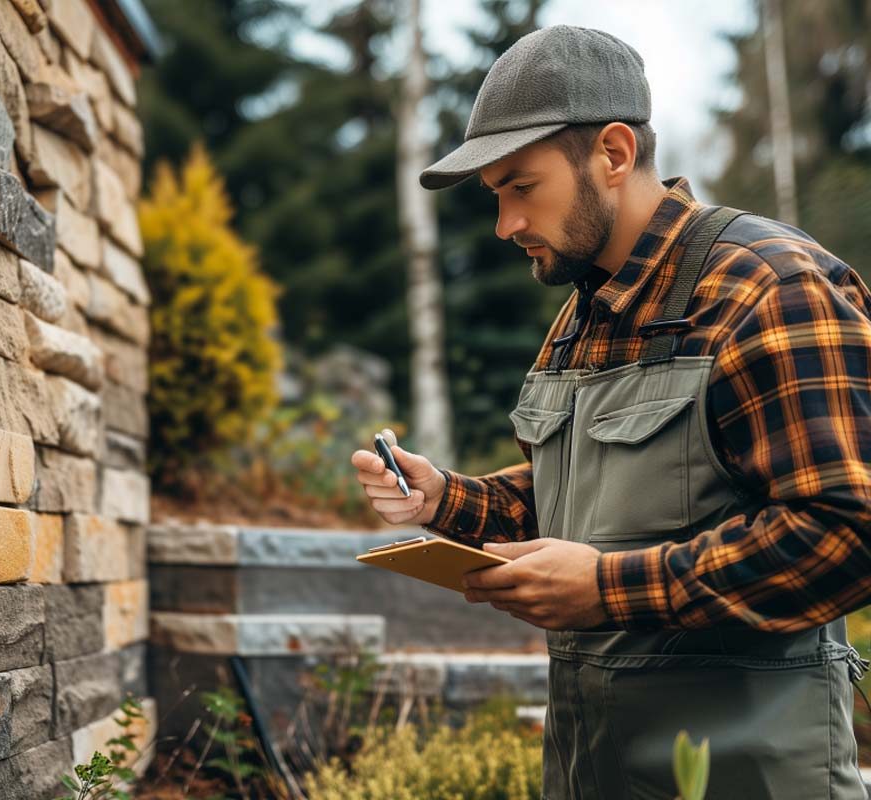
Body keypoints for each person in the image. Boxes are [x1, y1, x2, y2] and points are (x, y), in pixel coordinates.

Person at [349, 24, 871, 799]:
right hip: (593, 772)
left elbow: (846, 531)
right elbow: (586, 497)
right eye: (496, 197)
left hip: (749, 777)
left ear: (614, 154)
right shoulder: (581, 313)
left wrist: (608, 590)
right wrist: (444, 498)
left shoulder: (773, 289)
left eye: (520, 187)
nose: (505, 225)